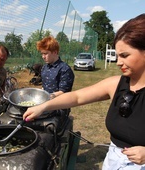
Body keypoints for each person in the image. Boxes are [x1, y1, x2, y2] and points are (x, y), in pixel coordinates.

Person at [23, 14, 145, 170]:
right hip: (114, 160)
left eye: (125, 55)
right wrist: (43, 107)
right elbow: (77, 96)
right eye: (117, 55)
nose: (118, 62)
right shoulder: (116, 84)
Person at [36, 36, 75, 124]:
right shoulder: (45, 67)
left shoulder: (64, 69)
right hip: (45, 104)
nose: (43, 56)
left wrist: (46, 97)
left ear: (55, 52)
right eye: (42, 54)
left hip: (59, 108)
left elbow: (63, 92)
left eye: (45, 53)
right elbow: (45, 86)